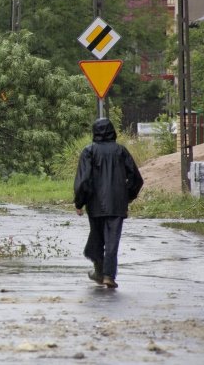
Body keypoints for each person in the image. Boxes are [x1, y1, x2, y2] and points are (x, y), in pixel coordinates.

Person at [73, 118, 143, 289]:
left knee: (96, 238)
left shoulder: (89, 151)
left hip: (95, 204)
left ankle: (99, 271)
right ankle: (108, 276)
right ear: (113, 131)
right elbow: (136, 178)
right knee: (112, 241)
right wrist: (127, 195)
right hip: (117, 204)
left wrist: (79, 202)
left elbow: (83, 180)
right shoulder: (121, 151)